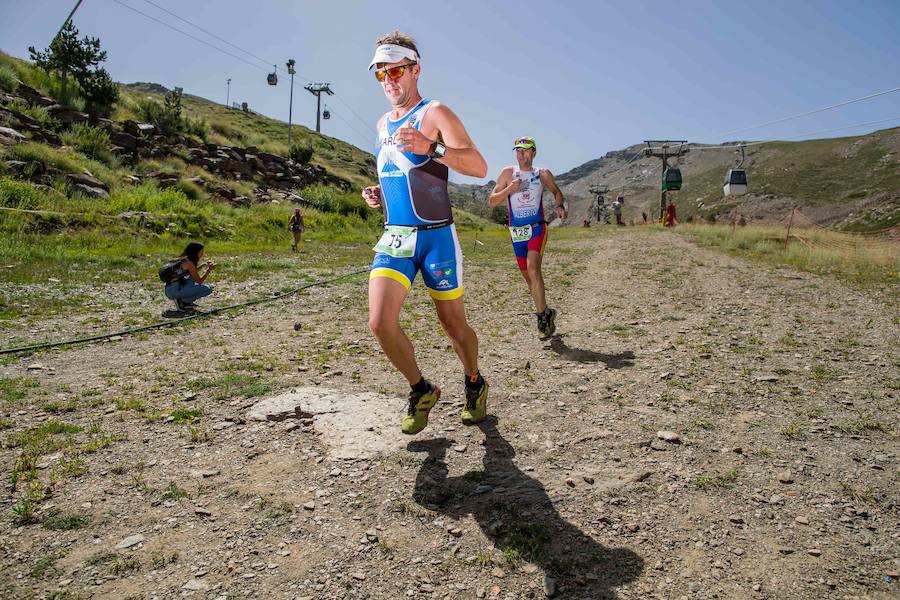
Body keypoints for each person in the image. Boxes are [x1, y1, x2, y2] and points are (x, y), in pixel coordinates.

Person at [361, 30, 489, 435]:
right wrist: (380, 194)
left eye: (395, 70)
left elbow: (478, 166)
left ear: (415, 69)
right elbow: (403, 172)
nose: (389, 80)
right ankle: (421, 388)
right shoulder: (382, 123)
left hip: (437, 238)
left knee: (453, 326)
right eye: (380, 74)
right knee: (380, 323)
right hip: (396, 235)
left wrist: (432, 147)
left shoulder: (436, 113)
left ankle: (474, 379)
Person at [488, 136, 567, 339]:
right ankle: (547, 312)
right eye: (517, 151)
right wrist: (509, 189)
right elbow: (492, 201)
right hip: (516, 232)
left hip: (536, 228)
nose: (521, 154)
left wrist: (559, 206)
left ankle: (541, 317)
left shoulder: (542, 174)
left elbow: (557, 192)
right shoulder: (508, 173)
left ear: (533, 152)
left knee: (534, 269)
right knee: (528, 277)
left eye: (524, 150)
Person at [162, 242, 215, 312]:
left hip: (170, 289)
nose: (202, 254)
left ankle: (184, 302)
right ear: (196, 252)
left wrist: (203, 266)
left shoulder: (182, 259)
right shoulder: (190, 263)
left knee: (192, 280)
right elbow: (199, 281)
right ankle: (183, 301)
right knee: (208, 289)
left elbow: (192, 273)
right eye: (201, 252)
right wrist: (208, 271)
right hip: (175, 291)